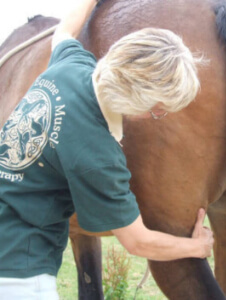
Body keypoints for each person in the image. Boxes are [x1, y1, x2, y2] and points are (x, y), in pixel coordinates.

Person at [0, 0, 213, 298]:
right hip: (19, 273)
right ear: (139, 103)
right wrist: (197, 246)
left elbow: (65, 29)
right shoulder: (98, 155)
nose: (157, 116)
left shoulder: (71, 65)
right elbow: (138, 242)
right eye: (158, 111)